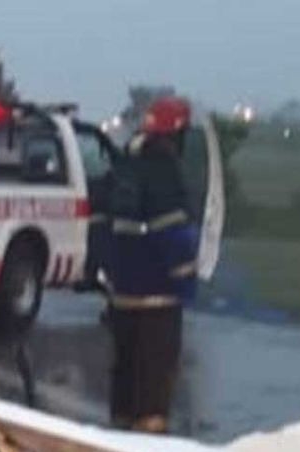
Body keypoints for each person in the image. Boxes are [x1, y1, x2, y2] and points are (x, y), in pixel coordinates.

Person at [105, 96, 199, 433]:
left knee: (125, 378)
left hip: (122, 294)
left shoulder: (124, 166)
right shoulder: (165, 171)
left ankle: (117, 439)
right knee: (153, 387)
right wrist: (187, 280)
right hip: (158, 297)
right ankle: (150, 444)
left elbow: (106, 227)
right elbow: (174, 234)